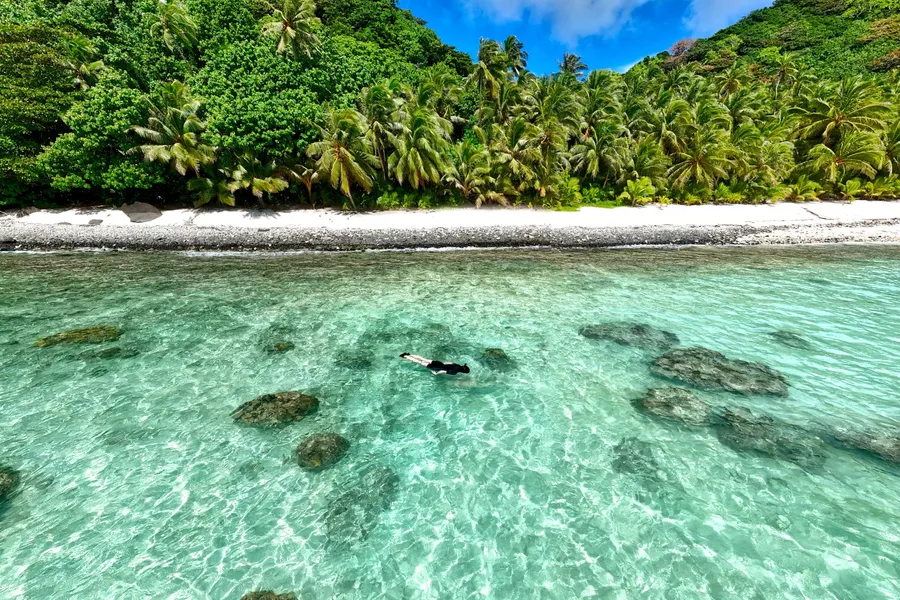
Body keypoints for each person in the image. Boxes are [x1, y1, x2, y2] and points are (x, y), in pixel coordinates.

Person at [401, 353, 470, 375]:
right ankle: (405, 356)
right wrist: (436, 373)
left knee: (423, 359)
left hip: (439, 363)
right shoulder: (455, 372)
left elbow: (448, 363)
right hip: (436, 367)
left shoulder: (457, 365)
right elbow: (443, 371)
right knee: (419, 362)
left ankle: (409, 354)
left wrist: (442, 364)